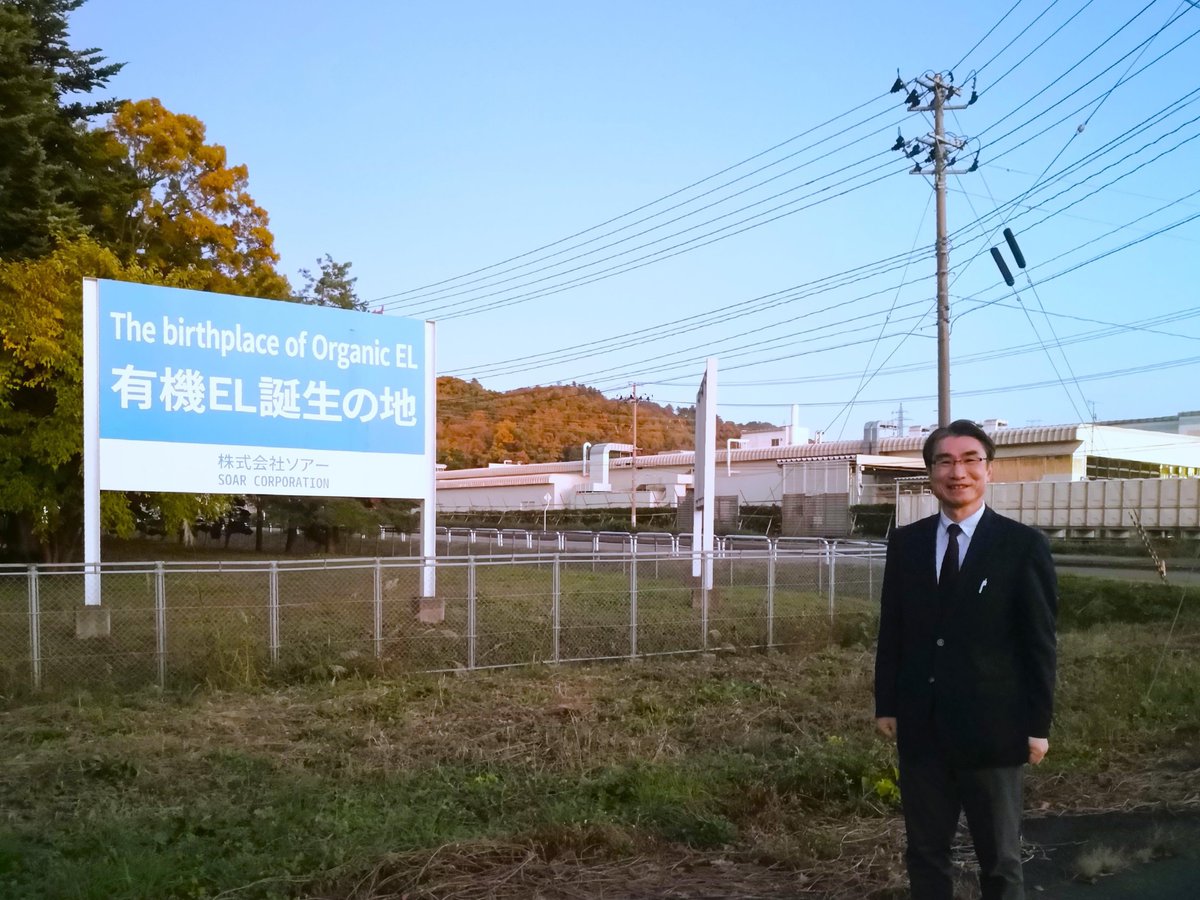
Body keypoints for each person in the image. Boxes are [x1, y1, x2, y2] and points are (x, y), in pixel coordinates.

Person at [874, 419, 1057, 900]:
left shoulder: (1022, 546)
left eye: (971, 460)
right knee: (925, 853)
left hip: (994, 731)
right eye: (945, 461)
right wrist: (886, 703)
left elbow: (1039, 644)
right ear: (930, 473)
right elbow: (893, 629)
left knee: (1000, 860)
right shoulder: (907, 543)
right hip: (922, 729)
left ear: (988, 470)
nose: (958, 472)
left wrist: (1037, 726)